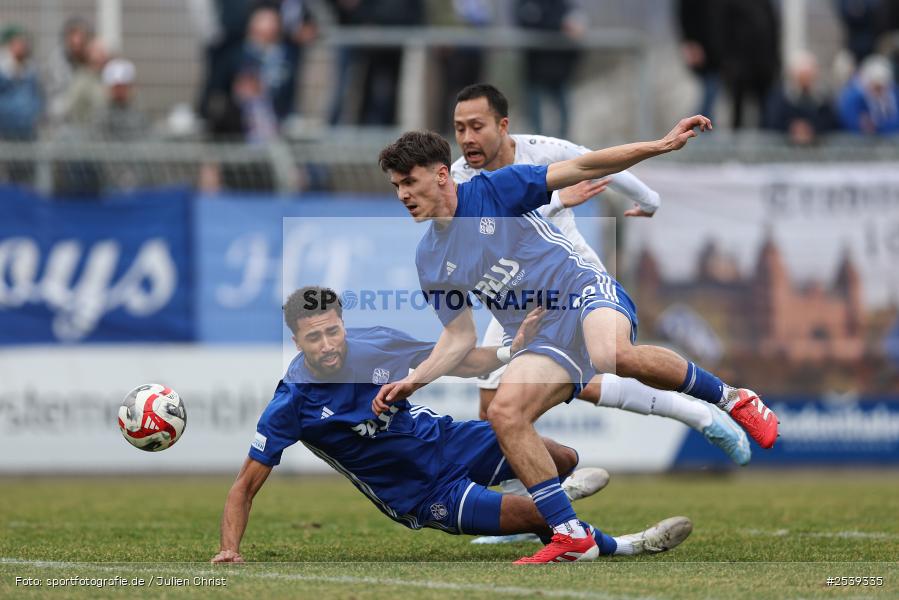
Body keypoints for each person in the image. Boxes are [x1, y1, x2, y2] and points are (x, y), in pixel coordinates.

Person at [374, 117, 778, 563]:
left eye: (409, 182)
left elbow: (584, 165)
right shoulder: (430, 257)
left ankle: (734, 399)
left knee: (611, 354)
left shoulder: (494, 190)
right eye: (396, 186)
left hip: (579, 288)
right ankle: (571, 536)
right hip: (544, 334)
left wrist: (660, 145)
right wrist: (414, 381)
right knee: (505, 414)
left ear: (441, 175)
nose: (403, 195)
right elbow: (457, 340)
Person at [448, 84, 749, 546]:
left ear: (502, 126)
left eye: (475, 126)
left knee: (588, 371)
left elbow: (597, 160)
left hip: (564, 280)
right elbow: (490, 224)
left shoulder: (541, 150)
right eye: (459, 128)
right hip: (512, 296)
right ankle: (529, 512)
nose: (466, 137)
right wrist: (558, 201)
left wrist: (650, 200)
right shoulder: (458, 176)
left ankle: (697, 412)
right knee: (493, 413)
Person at [210, 286, 693, 563]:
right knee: (537, 516)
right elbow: (243, 487)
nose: (328, 344)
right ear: (297, 343)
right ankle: (629, 546)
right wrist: (229, 550)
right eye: (314, 338)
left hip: (448, 438)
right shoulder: (291, 403)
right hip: (420, 491)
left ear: (343, 324)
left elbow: (455, 359)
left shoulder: (373, 342)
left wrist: (510, 349)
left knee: (563, 458)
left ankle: (543, 499)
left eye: (333, 330)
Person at [837, 54, 899, 135]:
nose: (879, 91)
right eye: (876, 87)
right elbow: (853, 122)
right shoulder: (853, 97)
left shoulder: (893, 94)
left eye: (881, 87)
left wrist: (878, 125)